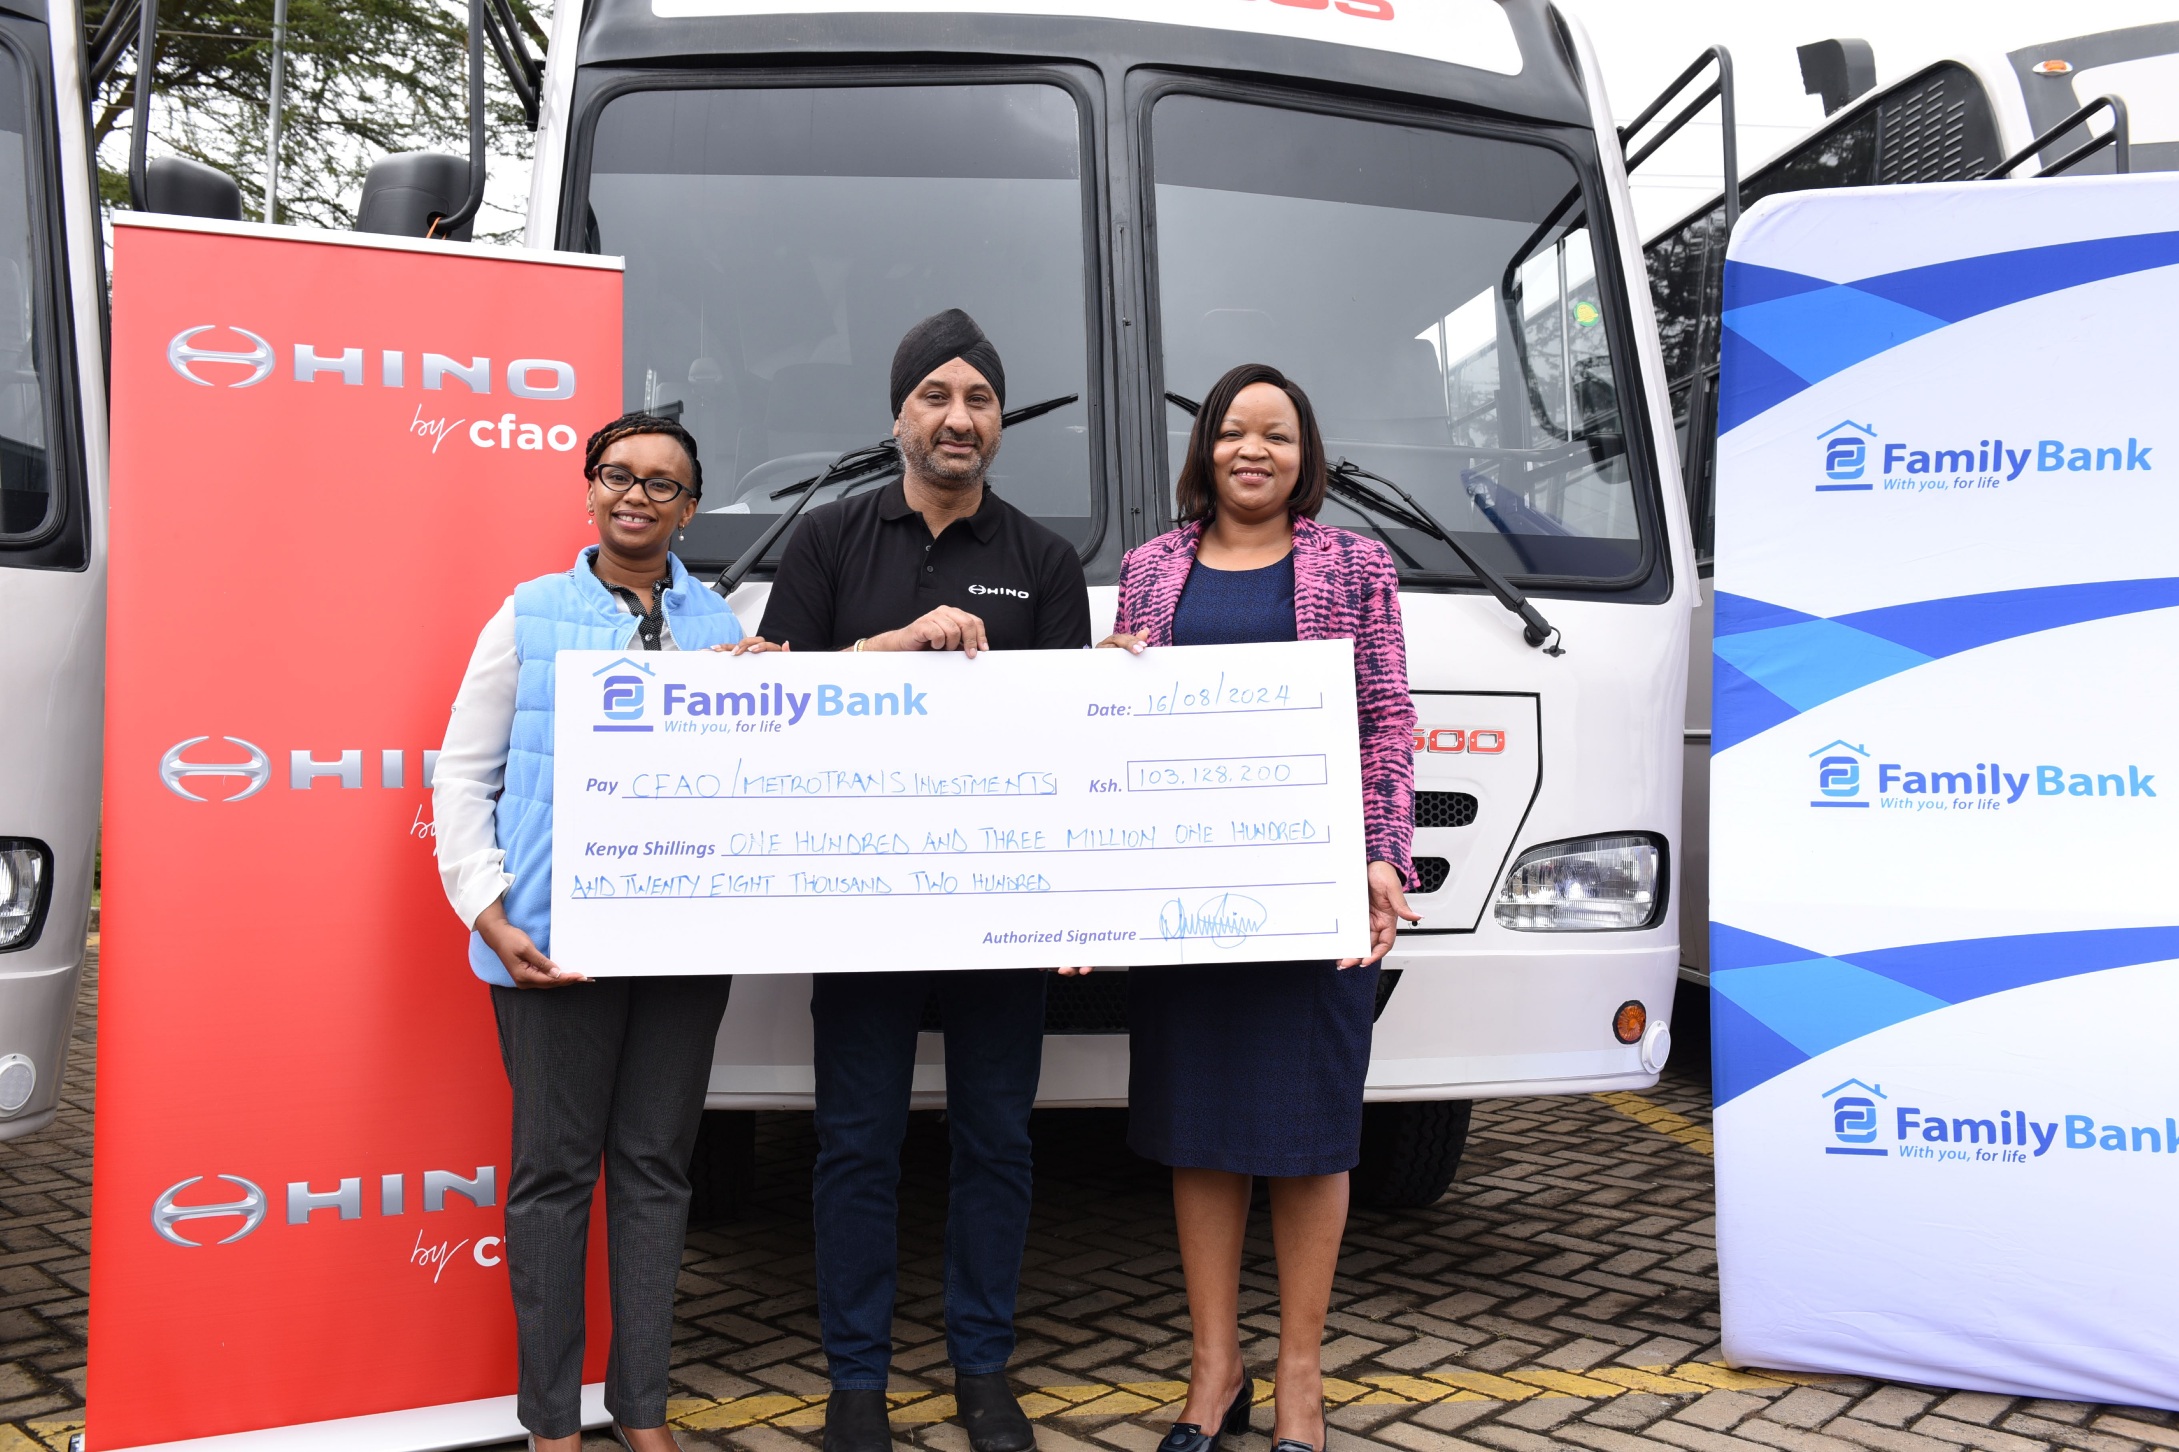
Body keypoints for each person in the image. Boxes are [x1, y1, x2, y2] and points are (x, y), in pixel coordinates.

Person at [752, 309, 1093, 1452]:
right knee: (855, 1141)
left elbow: (1066, 747)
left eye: (980, 400)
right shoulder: (828, 543)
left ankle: (982, 1367)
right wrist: (894, 647)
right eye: (936, 396)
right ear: (898, 415)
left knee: (997, 1140)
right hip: (862, 907)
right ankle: (857, 1381)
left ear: (999, 424)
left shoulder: (1043, 562)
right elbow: (773, 703)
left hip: (998, 914)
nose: (959, 417)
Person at [1098, 363, 1419, 1452]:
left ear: (1302, 453)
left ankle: (1297, 1378)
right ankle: (1212, 1368)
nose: (1252, 450)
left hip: (1312, 891)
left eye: (1275, 435)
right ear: (1207, 450)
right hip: (1186, 900)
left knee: (1310, 1136)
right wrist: (1110, 683)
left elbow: (1385, 717)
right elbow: (1120, 722)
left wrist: (1383, 858)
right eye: (1234, 430)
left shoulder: (1357, 564)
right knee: (1201, 1133)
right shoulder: (1147, 570)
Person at [434, 412, 760, 1452]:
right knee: (551, 1178)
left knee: (658, 1171)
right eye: (619, 476)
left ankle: (643, 1410)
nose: (638, 496)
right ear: (588, 490)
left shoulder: (723, 629)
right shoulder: (526, 615)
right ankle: (548, 1424)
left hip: (676, 948)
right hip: (547, 944)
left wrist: (772, 692)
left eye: (663, 485)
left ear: (689, 510)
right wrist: (486, 905)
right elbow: (463, 775)